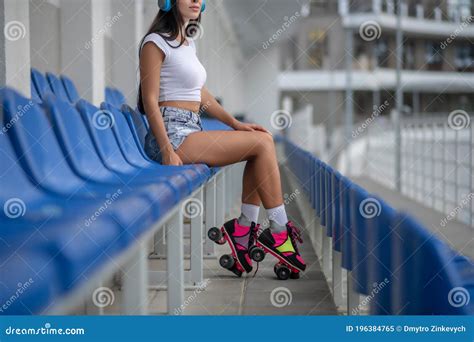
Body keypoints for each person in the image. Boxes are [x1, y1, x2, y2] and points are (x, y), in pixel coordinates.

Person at [138, 0, 305, 276]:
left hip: (191, 128)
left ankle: (243, 230)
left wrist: (236, 124)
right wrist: (167, 149)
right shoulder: (155, 43)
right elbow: (150, 100)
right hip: (170, 135)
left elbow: (201, 94)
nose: (195, 0)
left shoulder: (187, 44)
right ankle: (278, 232)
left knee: (258, 142)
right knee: (263, 144)